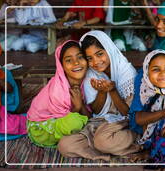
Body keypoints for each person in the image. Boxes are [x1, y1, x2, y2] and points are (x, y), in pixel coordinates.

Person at [57, 30, 139, 161]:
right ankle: (108, 148)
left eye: (99, 54)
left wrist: (112, 91)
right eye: (89, 58)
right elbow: (96, 111)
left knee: (102, 141)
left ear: (109, 50)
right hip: (101, 123)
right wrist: (101, 91)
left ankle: (136, 142)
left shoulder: (126, 72)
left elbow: (129, 114)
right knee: (65, 145)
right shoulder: (92, 74)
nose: (96, 62)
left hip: (126, 124)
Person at [27, 40, 90, 147]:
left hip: (63, 123)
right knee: (75, 123)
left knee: (86, 120)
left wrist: (81, 105)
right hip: (41, 129)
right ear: (62, 66)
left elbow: (88, 114)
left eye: (80, 57)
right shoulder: (58, 90)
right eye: (69, 60)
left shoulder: (86, 83)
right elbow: (67, 122)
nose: (76, 63)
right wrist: (78, 106)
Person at [0, 68, 27, 141]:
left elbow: (9, 89)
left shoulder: (2, 73)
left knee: (14, 125)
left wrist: (0, 81)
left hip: (1, 111)